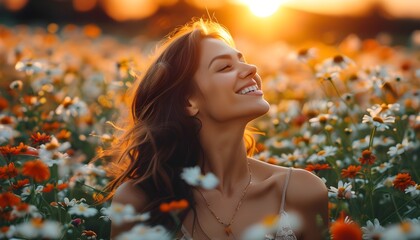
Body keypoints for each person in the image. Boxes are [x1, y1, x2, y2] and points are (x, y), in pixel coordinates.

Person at [105, 18, 328, 239]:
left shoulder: (301, 191)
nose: (252, 69)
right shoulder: (139, 201)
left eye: (243, 60)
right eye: (225, 67)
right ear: (188, 102)